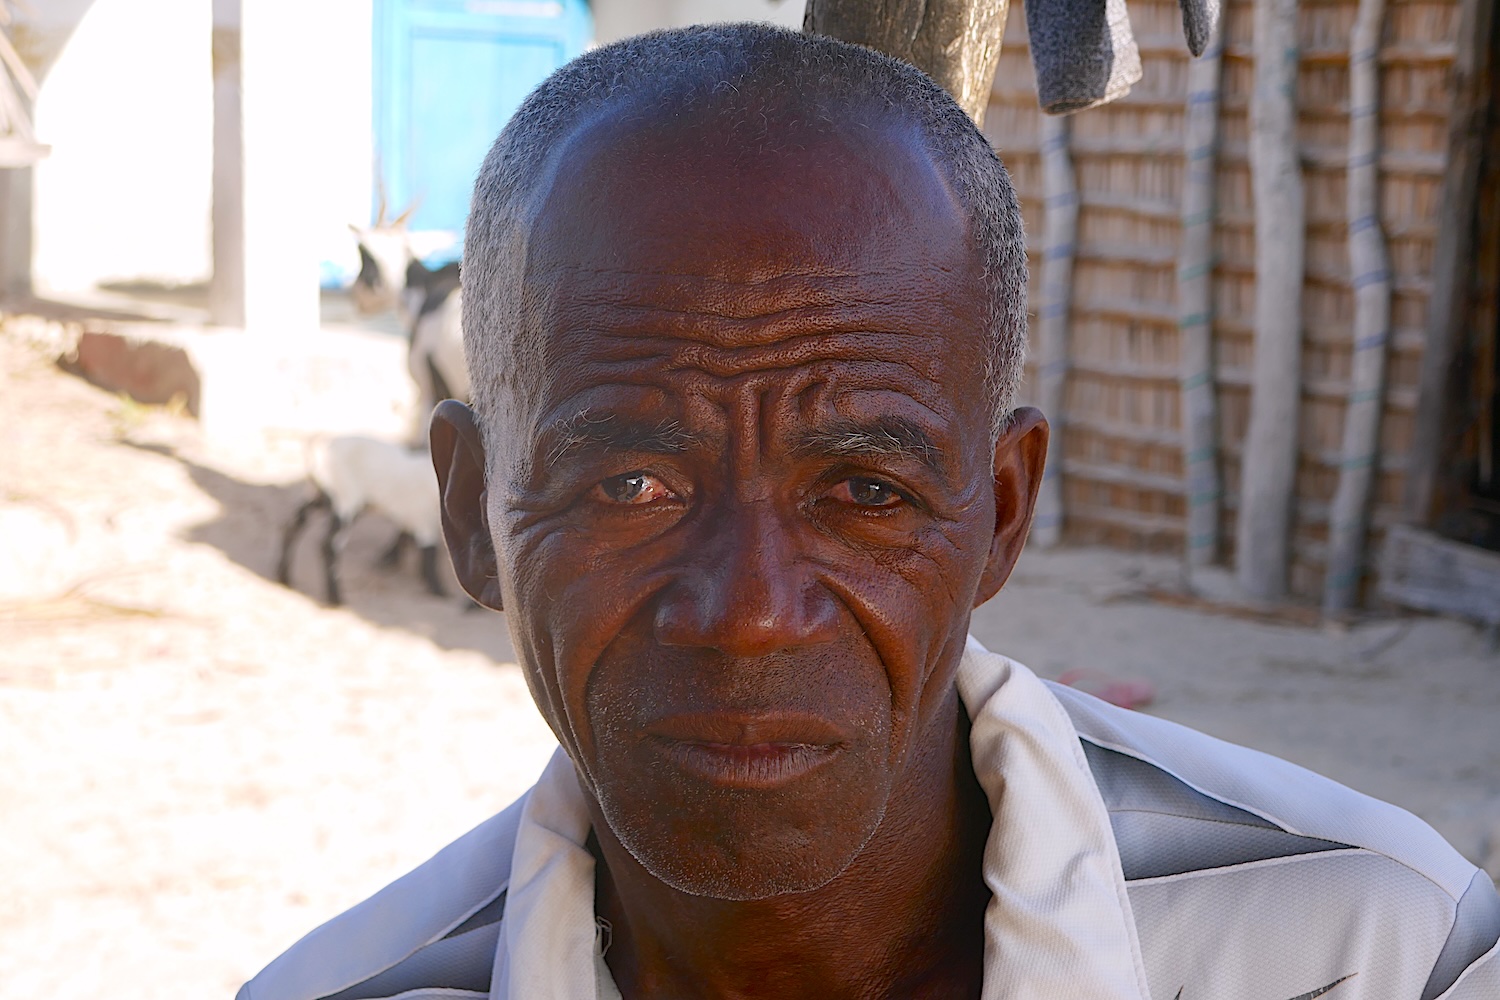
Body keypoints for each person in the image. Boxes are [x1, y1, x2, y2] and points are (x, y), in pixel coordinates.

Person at [239, 24, 1499, 1000]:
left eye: (865, 491)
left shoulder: (1377, 956)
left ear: (1001, 515)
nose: (747, 616)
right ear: (469, 513)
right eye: (631, 484)